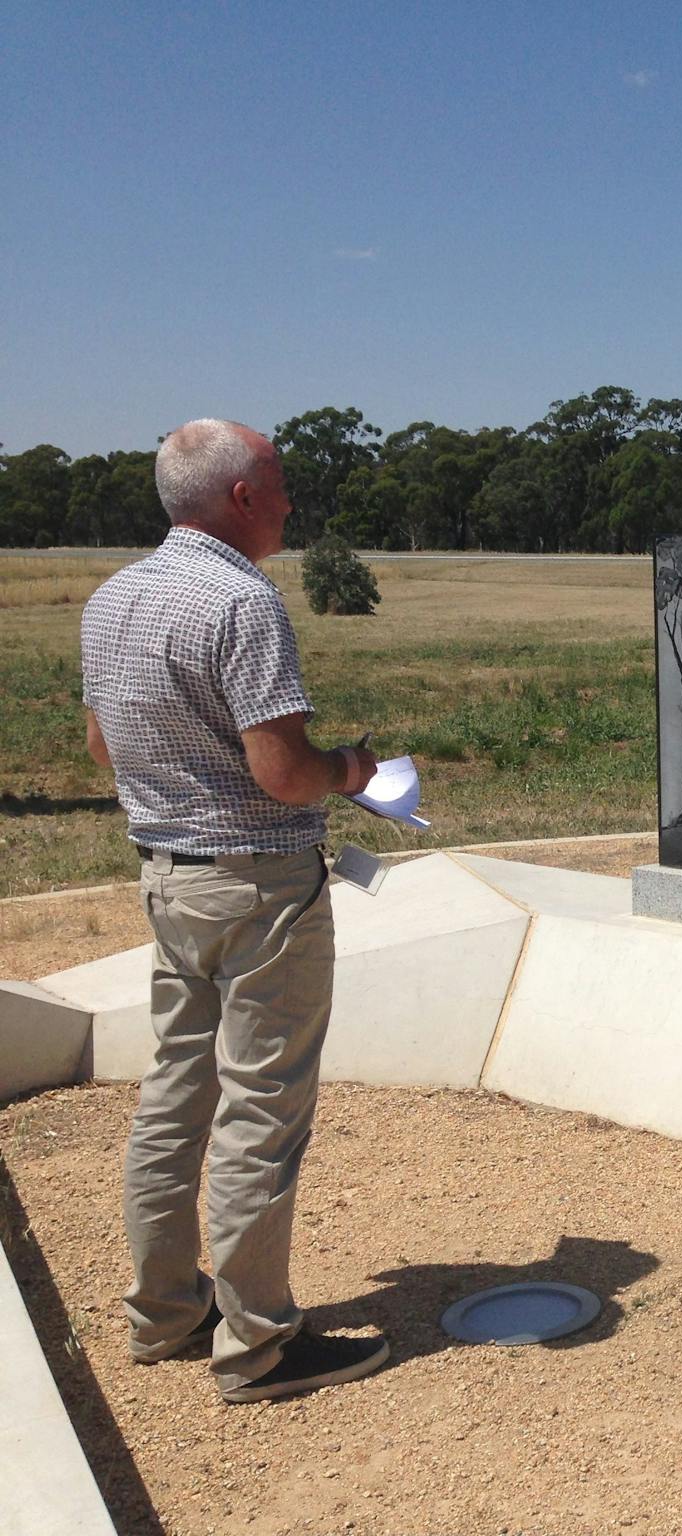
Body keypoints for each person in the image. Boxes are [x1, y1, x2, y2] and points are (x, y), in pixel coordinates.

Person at [79, 418, 388, 1404]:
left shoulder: (112, 597)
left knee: (174, 1095)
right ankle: (257, 1346)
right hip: (258, 883)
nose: (292, 501)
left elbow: (101, 751)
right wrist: (352, 769)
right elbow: (285, 773)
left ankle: (165, 1312)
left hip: (166, 877)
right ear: (243, 500)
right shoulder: (245, 603)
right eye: (281, 483)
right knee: (263, 1108)